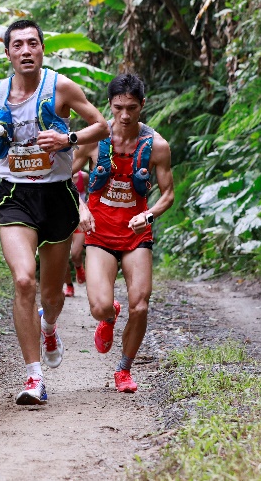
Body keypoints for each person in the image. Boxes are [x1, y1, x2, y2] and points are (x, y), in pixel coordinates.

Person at [0, 19, 108, 405]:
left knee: (52, 295)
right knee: (24, 281)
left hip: (57, 195)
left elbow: (102, 125)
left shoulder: (60, 87)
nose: (26, 50)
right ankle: (33, 378)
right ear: (8, 53)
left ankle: (49, 326)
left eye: (33, 43)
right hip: (14, 194)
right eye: (18, 45)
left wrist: (68, 138)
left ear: (42, 49)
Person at [71, 73, 174, 394]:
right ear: (110, 106)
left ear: (143, 105)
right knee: (99, 307)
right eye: (118, 108)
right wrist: (82, 209)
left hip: (136, 235)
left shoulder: (157, 146)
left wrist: (149, 213)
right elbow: (63, 177)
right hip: (99, 233)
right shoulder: (93, 141)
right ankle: (108, 316)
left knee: (141, 305)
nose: (125, 115)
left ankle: (124, 370)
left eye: (132, 107)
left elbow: (168, 194)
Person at [64, 169, 89, 298]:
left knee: (75, 253)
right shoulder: (57, 174)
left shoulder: (83, 177)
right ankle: (69, 286)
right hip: (62, 221)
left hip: (80, 221)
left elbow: (95, 191)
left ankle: (79, 267)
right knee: (62, 259)